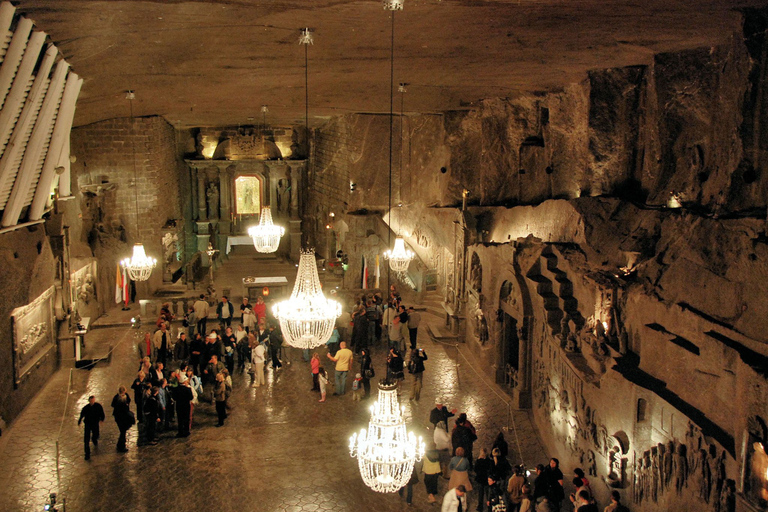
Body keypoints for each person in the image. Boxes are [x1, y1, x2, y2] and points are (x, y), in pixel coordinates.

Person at [78, 395, 105, 460]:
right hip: (88, 424)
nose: (92, 402)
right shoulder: (86, 408)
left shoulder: (98, 406)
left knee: (96, 434)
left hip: (95, 423)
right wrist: (79, 421)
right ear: (89, 401)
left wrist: (102, 419)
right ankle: (87, 454)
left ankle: (94, 439)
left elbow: (102, 413)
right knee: (86, 439)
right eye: (91, 401)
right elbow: (82, 414)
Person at [110, 386, 133, 453]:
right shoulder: (117, 398)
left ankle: (120, 444)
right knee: (123, 431)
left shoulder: (126, 396)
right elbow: (113, 405)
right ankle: (121, 446)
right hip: (120, 417)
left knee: (123, 431)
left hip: (124, 416)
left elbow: (129, 400)